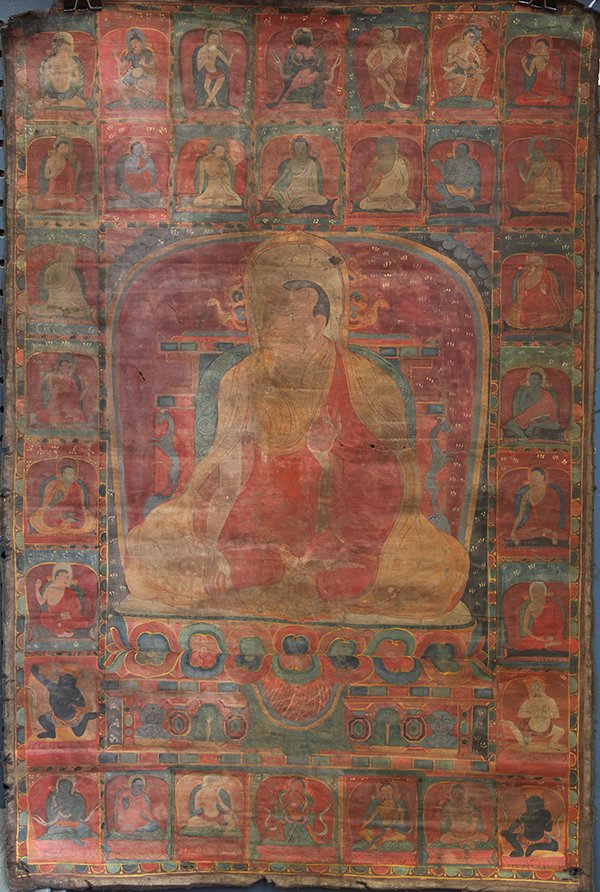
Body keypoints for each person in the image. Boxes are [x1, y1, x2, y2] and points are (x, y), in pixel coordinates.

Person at [124, 236, 469, 622]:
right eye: (274, 315)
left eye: (291, 316)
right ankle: (262, 568)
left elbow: (390, 474)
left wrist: (331, 456)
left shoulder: (366, 380)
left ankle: (283, 573)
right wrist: (210, 527)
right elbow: (221, 468)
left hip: (338, 528)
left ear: (319, 323)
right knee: (150, 552)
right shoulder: (242, 377)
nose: (277, 326)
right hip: (254, 524)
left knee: (437, 570)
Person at [30, 459, 96, 536]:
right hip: (56, 511)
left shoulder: (76, 487)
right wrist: (55, 500)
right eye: (69, 474)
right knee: (41, 518)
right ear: (63, 474)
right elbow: (46, 506)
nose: (72, 476)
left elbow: (80, 506)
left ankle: (65, 520)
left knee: (89, 521)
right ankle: (63, 520)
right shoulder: (53, 485)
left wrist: (71, 513)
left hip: (73, 513)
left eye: (73, 474)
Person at [30, 664, 98, 739]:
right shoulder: (54, 687)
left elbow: (82, 704)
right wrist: (36, 673)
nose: (66, 686)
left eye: (68, 684)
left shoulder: (75, 692)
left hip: (71, 717)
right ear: (60, 682)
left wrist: (71, 701)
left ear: (73, 684)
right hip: (55, 716)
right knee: (42, 719)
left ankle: (86, 717)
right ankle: (51, 732)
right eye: (64, 683)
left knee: (78, 733)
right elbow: (43, 680)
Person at [267, 28, 328, 110]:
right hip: (297, 78)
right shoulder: (292, 52)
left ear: (307, 45)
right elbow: (288, 70)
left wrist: (313, 74)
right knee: (289, 84)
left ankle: (317, 102)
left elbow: (322, 69)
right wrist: (294, 75)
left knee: (317, 84)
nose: (297, 48)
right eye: (297, 46)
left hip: (313, 78)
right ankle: (277, 102)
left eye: (300, 46)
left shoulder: (318, 51)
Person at [505, 255, 569, 330]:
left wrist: (545, 290)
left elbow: (554, 296)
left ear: (542, 263)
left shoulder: (549, 275)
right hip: (527, 307)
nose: (535, 265)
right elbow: (520, 295)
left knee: (554, 317)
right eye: (533, 262)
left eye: (537, 262)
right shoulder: (523, 276)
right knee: (522, 318)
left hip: (546, 307)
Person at [503, 678, 566, 752]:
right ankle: (512, 726)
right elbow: (520, 714)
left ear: (543, 689)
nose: (537, 693)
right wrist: (532, 713)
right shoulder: (529, 702)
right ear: (530, 691)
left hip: (547, 729)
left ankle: (552, 743)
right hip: (531, 729)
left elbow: (556, 715)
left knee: (561, 731)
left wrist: (544, 714)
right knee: (524, 743)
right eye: (534, 691)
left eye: (539, 690)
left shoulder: (550, 701)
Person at [267, 137, 328, 212]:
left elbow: (314, 184)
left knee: (323, 200)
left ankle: (297, 203)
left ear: (307, 149)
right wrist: (272, 188)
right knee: (275, 193)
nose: (300, 151)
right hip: (291, 192)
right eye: (297, 148)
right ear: (294, 149)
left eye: (303, 148)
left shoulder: (311, 163)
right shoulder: (291, 163)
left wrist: (316, 195)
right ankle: (287, 208)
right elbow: (281, 178)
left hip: (306, 194)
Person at [509, 466, 566, 546]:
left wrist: (551, 527)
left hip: (550, 524)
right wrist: (513, 531)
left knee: (564, 534)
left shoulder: (552, 492)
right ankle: (546, 534)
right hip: (533, 525)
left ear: (543, 477)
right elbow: (520, 516)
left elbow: (557, 513)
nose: (533, 478)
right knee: (520, 533)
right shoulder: (528, 494)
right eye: (532, 476)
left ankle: (549, 533)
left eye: (536, 475)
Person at [33, 353, 90, 429]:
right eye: (64, 366)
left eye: (67, 367)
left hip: (67, 403)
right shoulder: (52, 376)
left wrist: (86, 388)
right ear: (59, 367)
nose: (65, 368)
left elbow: (76, 395)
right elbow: (46, 386)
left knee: (77, 417)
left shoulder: (70, 379)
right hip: (55, 402)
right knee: (45, 416)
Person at [32, 246, 92, 319]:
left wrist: (74, 301)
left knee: (82, 310)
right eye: (72, 256)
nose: (74, 259)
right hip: (56, 301)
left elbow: (77, 294)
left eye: (74, 257)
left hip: (72, 302)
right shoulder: (52, 269)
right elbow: (47, 288)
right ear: (64, 256)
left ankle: (66, 310)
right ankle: (63, 309)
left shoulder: (72, 273)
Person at [33, 562, 89, 639]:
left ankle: (61, 628)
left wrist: (70, 614)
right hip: (53, 617)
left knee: (84, 622)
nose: (66, 580)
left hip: (66, 617)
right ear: (57, 577)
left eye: (67, 577)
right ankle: (61, 631)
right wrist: (36, 589)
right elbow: (41, 601)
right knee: (44, 616)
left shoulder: (70, 592)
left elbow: (78, 607)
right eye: (63, 577)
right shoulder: (49, 588)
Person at [359, 136, 415, 211]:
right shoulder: (380, 163)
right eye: (381, 147)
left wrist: (399, 195)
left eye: (386, 146)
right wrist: (364, 194)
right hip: (382, 193)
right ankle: (387, 205)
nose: (383, 148)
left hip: (397, 195)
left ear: (392, 147)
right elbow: (371, 182)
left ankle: (387, 204)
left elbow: (405, 181)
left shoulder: (400, 162)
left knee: (411, 205)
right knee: (363, 203)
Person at [110, 29, 163, 108]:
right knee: (118, 86)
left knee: (138, 71)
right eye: (132, 44)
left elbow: (154, 68)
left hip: (144, 75)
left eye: (135, 43)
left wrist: (144, 65)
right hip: (134, 74)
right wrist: (114, 55)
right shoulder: (130, 54)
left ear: (140, 42)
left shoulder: (146, 52)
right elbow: (122, 65)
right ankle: (127, 102)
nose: (133, 46)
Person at [515, 139, 570, 214]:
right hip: (537, 194)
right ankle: (544, 206)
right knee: (519, 205)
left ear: (544, 153)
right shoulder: (534, 166)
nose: (538, 155)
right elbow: (526, 180)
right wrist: (520, 171)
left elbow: (557, 181)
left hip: (551, 194)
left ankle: (544, 206)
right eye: (536, 153)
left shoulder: (553, 164)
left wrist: (552, 178)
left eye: (540, 152)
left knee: (567, 207)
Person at [34, 779, 96, 845]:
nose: (65, 787)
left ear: (71, 786)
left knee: (85, 828)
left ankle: (76, 838)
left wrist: (73, 809)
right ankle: (70, 832)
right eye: (63, 785)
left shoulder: (75, 798)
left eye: (67, 785)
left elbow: (79, 813)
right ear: (59, 787)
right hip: (58, 824)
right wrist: (59, 807)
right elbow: (51, 812)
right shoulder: (54, 798)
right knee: (55, 830)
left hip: (72, 823)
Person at [503, 369, 561, 441]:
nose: (532, 381)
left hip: (543, 417)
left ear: (540, 381)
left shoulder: (546, 393)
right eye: (531, 378)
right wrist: (529, 403)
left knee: (556, 426)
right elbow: (521, 409)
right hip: (529, 415)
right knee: (509, 424)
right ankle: (524, 437)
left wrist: (544, 416)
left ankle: (534, 425)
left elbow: (551, 409)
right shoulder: (526, 392)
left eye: (535, 379)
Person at [364, 28, 414, 109]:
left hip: (385, 70)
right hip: (378, 70)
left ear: (393, 35)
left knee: (393, 83)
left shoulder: (396, 48)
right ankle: (399, 103)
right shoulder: (381, 46)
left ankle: (386, 103)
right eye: (386, 33)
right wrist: (373, 68)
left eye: (390, 33)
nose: (388, 35)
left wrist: (408, 49)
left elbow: (403, 59)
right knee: (387, 87)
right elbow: (367, 59)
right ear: (383, 36)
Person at [441, 24, 489, 106]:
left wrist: (475, 64)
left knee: (481, 78)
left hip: (467, 69)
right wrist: (459, 57)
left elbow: (477, 59)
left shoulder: (469, 47)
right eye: (470, 37)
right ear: (464, 36)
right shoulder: (454, 46)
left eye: (473, 38)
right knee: (450, 76)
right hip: (457, 69)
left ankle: (474, 98)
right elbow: (449, 61)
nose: (471, 40)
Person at [36, 137, 88, 212]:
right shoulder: (51, 160)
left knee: (79, 204)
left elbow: (71, 178)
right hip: (54, 190)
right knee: (43, 203)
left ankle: (63, 202)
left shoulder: (69, 161)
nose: (64, 150)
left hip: (67, 190)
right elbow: (46, 176)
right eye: (62, 148)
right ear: (57, 148)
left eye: (66, 148)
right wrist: (56, 172)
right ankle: (59, 202)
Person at [354, 783, 411, 851]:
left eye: (389, 790)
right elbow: (369, 819)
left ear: (392, 791)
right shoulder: (378, 807)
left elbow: (401, 823)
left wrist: (401, 813)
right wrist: (362, 827)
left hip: (392, 832)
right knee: (363, 832)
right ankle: (375, 843)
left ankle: (381, 841)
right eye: (384, 791)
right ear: (381, 793)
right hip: (380, 830)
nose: (387, 793)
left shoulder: (398, 806)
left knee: (403, 837)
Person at [515, 37, 570, 107]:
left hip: (551, 90)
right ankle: (544, 100)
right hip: (537, 91)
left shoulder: (555, 59)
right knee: (519, 100)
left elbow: (558, 78)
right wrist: (523, 64)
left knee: (565, 101)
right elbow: (529, 74)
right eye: (537, 48)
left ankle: (544, 100)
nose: (538, 49)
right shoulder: (535, 59)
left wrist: (555, 93)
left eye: (540, 47)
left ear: (547, 47)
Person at [514, 581, 567, 652]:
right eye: (533, 591)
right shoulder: (529, 606)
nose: (535, 593)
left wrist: (552, 637)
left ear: (543, 592)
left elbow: (560, 625)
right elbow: (525, 628)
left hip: (552, 637)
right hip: (536, 637)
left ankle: (545, 645)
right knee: (519, 644)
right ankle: (545, 645)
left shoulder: (553, 604)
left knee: (567, 644)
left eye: (538, 590)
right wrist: (537, 638)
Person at [37, 32, 85, 108]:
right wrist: (55, 76)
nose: (67, 52)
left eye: (68, 49)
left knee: (82, 104)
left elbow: (78, 80)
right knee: (39, 104)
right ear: (57, 47)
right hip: (52, 93)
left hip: (69, 93)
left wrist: (68, 77)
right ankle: (57, 102)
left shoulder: (72, 61)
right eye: (64, 49)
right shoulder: (50, 61)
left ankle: (64, 103)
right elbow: (45, 79)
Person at [193, 30, 238, 109]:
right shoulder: (202, 51)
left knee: (213, 91)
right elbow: (199, 68)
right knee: (206, 87)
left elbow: (228, 64)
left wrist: (232, 54)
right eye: (213, 38)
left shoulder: (216, 51)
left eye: (217, 39)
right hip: (209, 74)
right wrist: (204, 60)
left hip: (219, 74)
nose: (215, 41)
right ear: (208, 39)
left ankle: (207, 105)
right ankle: (216, 106)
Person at [433, 143, 481, 212]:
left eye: (461, 149)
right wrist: (440, 166)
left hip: (464, 191)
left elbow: (477, 178)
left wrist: (469, 186)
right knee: (437, 186)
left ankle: (464, 203)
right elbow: (446, 176)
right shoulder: (451, 161)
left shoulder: (471, 162)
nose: (457, 150)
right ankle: (451, 198)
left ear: (466, 152)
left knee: (448, 205)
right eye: (457, 148)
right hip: (452, 188)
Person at [193, 142, 242, 208]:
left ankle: (221, 201)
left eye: (222, 152)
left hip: (222, 189)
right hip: (210, 189)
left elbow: (227, 178)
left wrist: (224, 174)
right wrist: (200, 190)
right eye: (219, 151)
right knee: (196, 202)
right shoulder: (205, 161)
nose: (221, 154)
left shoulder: (223, 163)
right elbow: (201, 177)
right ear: (213, 150)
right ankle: (215, 201)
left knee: (239, 202)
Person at [115, 141, 162, 208]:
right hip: (133, 184)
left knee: (157, 193)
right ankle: (139, 200)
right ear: (132, 150)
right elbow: (135, 172)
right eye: (137, 148)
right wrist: (145, 167)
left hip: (144, 185)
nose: (139, 150)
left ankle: (137, 199)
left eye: (140, 148)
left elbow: (150, 171)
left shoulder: (142, 158)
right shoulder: (129, 160)